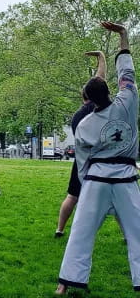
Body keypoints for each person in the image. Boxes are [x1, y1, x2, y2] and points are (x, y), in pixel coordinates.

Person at [56, 22, 140, 295]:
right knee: (138, 233)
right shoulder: (128, 100)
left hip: (96, 182)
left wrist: (87, 184)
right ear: (107, 90)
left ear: (88, 100)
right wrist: (123, 35)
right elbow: (127, 71)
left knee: (81, 233)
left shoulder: (85, 125)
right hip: (127, 180)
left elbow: (83, 162)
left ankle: (66, 284)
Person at [54, 51, 105, 237]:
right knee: (114, 197)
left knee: (72, 196)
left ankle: (59, 229)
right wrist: (101, 58)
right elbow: (100, 79)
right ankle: (127, 234)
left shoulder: (76, 116)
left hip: (81, 161)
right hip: (100, 161)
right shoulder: (96, 108)